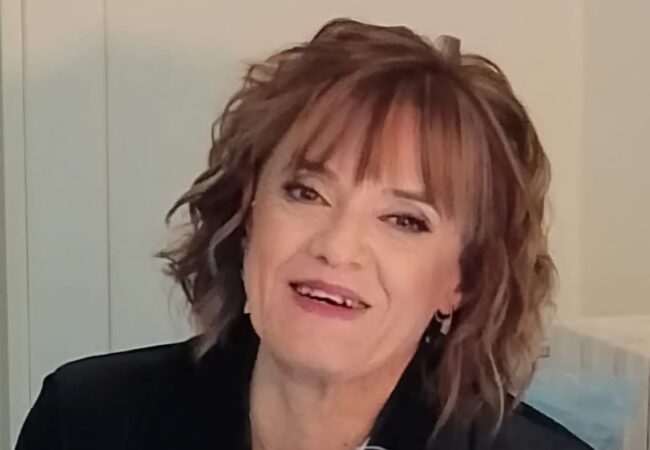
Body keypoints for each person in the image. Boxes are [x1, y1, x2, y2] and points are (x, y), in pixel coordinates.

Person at [15, 18, 592, 450]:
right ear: (247, 215)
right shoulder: (86, 421)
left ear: (464, 279)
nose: (336, 247)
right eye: (306, 193)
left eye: (404, 220)